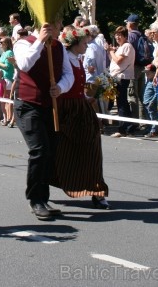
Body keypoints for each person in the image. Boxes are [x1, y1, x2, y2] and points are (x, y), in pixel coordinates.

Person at [13, 22, 74, 221]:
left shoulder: (59, 47)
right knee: (39, 150)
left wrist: (61, 87)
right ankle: (35, 199)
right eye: (53, 25)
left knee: (50, 151)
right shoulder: (23, 43)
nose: (57, 29)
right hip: (28, 104)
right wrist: (39, 40)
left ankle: (43, 198)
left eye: (58, 25)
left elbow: (68, 74)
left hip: (49, 105)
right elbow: (24, 64)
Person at [51, 27, 110, 209]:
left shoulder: (78, 59)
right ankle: (44, 187)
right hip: (66, 110)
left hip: (82, 110)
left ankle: (98, 191)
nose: (87, 45)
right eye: (84, 42)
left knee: (93, 150)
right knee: (61, 152)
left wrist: (87, 96)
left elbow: (77, 88)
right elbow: (64, 84)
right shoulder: (63, 59)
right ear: (75, 43)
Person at [108, 26, 136, 137]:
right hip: (117, 76)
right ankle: (128, 126)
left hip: (122, 77)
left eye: (120, 35)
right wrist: (110, 52)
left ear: (125, 36)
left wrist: (111, 52)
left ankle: (123, 128)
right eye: (116, 35)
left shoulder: (126, 46)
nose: (118, 37)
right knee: (121, 102)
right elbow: (114, 61)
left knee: (122, 103)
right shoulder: (121, 47)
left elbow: (118, 61)